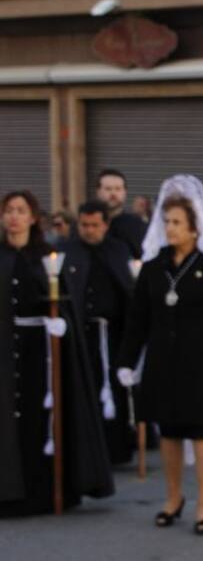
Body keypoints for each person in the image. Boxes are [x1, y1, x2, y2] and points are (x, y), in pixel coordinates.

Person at [116, 176, 203, 536]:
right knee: (169, 431)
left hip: (202, 363)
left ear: (194, 227)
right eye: (166, 221)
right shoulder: (154, 267)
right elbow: (138, 319)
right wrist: (126, 361)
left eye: (176, 222)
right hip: (163, 360)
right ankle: (173, 498)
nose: (169, 228)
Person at [1, 191, 113, 517]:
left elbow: (64, 303)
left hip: (39, 352)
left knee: (39, 419)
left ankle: (44, 492)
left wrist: (59, 321)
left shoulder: (47, 256)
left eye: (21, 210)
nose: (14, 216)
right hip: (6, 351)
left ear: (33, 217)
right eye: (9, 210)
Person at [60, 200, 137, 465]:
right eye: (84, 225)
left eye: (94, 225)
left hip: (113, 335)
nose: (89, 230)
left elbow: (128, 289)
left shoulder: (118, 250)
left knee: (115, 389)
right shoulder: (66, 251)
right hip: (81, 336)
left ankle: (116, 449)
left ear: (105, 225)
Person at [95, 169, 148, 259]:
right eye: (108, 189)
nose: (113, 193)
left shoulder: (137, 226)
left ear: (125, 192)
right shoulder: (86, 223)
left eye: (118, 189)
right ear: (98, 191)